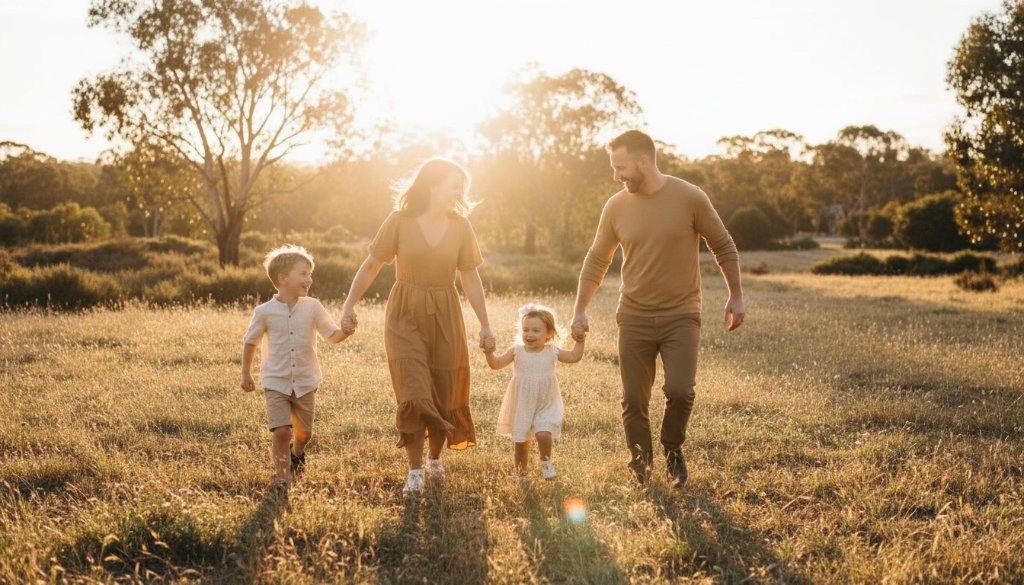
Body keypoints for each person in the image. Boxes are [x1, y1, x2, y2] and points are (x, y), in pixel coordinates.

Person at [572, 130, 745, 488]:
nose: (616, 176)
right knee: (634, 398)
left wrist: (736, 296)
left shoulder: (690, 197)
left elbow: (723, 246)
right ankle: (640, 460)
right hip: (633, 315)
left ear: (643, 161)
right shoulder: (616, 206)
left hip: (681, 314)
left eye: (620, 167)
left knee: (680, 390)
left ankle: (672, 450)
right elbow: (596, 261)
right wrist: (580, 310)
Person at [341, 159, 495, 495]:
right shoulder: (399, 220)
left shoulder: (461, 226)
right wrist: (349, 304)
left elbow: (470, 277)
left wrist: (485, 324)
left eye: (462, 188)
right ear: (433, 184)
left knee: (442, 391)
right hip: (404, 315)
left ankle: (435, 459)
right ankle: (414, 471)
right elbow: (371, 265)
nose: (460, 193)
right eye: (455, 186)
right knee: (412, 392)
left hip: (445, 315)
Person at [241, 245, 350, 487]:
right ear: (282, 279)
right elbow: (250, 342)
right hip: (276, 382)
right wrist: (246, 374)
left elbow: (331, 335)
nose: (309, 279)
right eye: (303, 274)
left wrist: (345, 331)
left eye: (310, 274)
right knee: (281, 431)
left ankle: (297, 452)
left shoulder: (313, 306)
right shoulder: (264, 312)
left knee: (304, 434)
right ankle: (283, 477)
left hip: (305, 381)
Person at [485, 303, 584, 480]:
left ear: (549, 334)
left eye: (536, 330)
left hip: (546, 403)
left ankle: (546, 462)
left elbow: (574, 357)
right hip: (522, 404)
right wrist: (489, 353)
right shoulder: (516, 351)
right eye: (526, 330)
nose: (529, 334)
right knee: (521, 444)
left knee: (543, 433)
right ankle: (521, 476)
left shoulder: (552, 351)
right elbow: (496, 364)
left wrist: (580, 341)